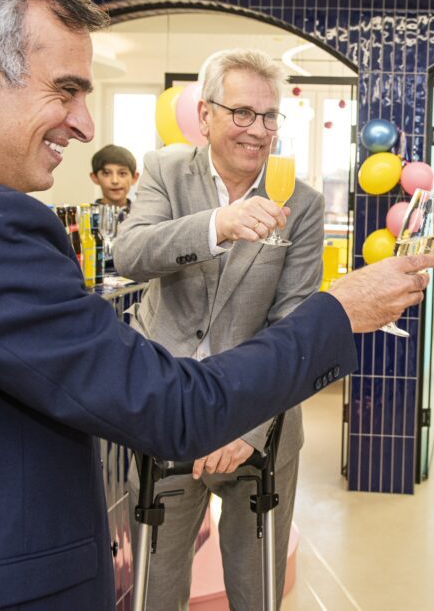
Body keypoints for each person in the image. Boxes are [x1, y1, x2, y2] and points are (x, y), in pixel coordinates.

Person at [0, 0, 434, 610]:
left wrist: (242, 422)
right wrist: (338, 308)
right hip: (129, 446)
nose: (84, 123)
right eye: (66, 89)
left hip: (246, 427)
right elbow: (149, 328)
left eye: (270, 115)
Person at [115, 49, 320, 610]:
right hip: (170, 408)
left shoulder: (300, 204)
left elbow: (293, 326)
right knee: (156, 584)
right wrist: (215, 226)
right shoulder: (164, 171)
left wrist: (242, 425)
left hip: (261, 422)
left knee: (258, 589)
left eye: (270, 116)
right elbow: (130, 252)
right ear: (205, 115)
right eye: (243, 113)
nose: (259, 130)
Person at [90, 143, 139, 211]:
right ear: (95, 178)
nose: (115, 181)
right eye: (106, 173)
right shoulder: (85, 217)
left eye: (122, 173)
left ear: (134, 178)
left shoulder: (142, 215)